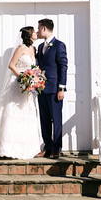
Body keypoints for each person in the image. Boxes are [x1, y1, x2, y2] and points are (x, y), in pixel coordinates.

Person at [0, 26, 43, 159]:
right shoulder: (21, 48)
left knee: (25, 113)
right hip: (16, 84)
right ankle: (5, 147)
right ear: (29, 35)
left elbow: (33, 67)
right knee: (11, 113)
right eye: (34, 32)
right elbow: (11, 65)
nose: (36, 33)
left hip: (28, 87)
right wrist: (23, 78)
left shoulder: (33, 49)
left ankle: (25, 147)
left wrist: (35, 78)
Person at [35, 18, 68, 158]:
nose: (37, 31)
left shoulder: (59, 45)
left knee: (56, 118)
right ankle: (47, 147)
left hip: (55, 89)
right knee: (44, 119)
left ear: (44, 29)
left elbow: (63, 66)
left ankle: (56, 149)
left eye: (38, 28)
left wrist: (61, 88)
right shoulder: (39, 47)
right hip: (41, 89)